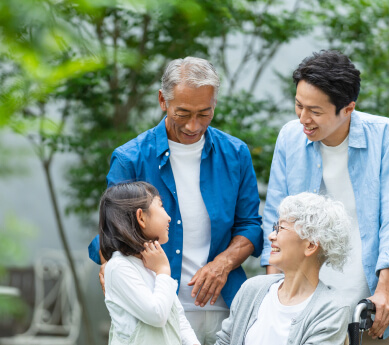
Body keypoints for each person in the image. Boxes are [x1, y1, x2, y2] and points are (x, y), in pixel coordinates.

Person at [88, 57, 263, 345]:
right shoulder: (130, 158)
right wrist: (109, 262)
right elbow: (112, 232)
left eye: (205, 113)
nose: (194, 125)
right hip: (157, 312)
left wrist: (223, 263)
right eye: (183, 113)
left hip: (226, 308)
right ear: (162, 100)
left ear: (215, 103)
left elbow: (250, 225)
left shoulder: (236, 153)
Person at [262, 50, 389, 344]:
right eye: (298, 105)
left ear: (348, 109)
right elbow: (276, 218)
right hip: (307, 301)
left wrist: (384, 290)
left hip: (371, 298)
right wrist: (272, 287)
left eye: (315, 111)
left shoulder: (384, 136)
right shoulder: (290, 138)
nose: (303, 118)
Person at [216, 192, 352, 345]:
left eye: (280, 228)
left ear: (311, 245)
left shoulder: (331, 310)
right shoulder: (251, 289)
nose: (271, 236)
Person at [99, 182, 200, 345]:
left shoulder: (151, 265)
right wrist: (163, 271)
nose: (169, 217)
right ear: (141, 217)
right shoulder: (119, 267)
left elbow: (178, 319)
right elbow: (157, 315)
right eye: (161, 206)